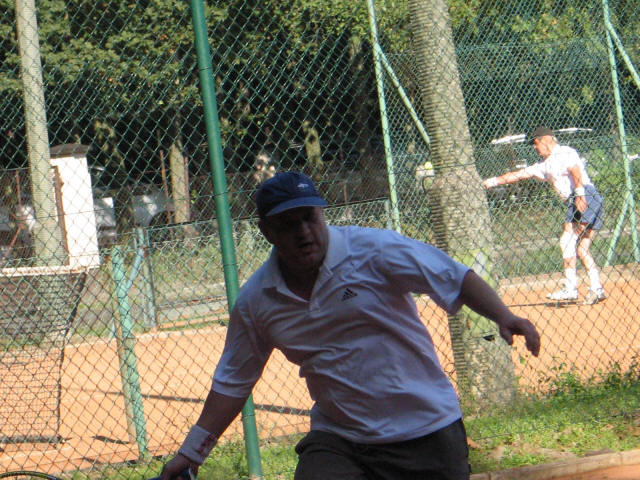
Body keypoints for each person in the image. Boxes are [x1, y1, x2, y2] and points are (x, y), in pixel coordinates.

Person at [160, 171, 541, 480]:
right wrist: (191, 455)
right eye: (288, 224)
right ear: (266, 232)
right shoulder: (258, 301)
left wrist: (504, 316)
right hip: (342, 439)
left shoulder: (373, 251)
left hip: (426, 429)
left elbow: (452, 276)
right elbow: (233, 382)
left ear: (322, 215)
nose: (303, 232)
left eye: (309, 218)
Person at [483, 126, 606, 305]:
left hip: (583, 195)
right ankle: (597, 288)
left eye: (535, 143)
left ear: (545, 141)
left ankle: (570, 288)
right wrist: (491, 182)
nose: (535, 147)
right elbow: (519, 175)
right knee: (581, 248)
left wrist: (580, 194)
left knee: (567, 241)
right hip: (586, 199)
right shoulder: (544, 166)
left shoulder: (565, 152)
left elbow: (575, 170)